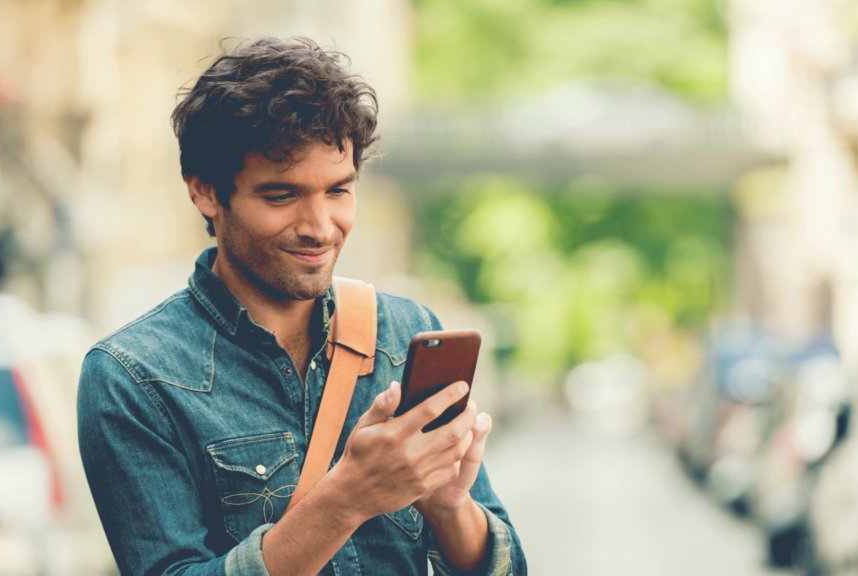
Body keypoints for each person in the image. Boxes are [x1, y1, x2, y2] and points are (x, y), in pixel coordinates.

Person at [77, 37, 527, 576]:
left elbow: (506, 567)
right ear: (205, 193)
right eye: (281, 196)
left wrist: (451, 508)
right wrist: (348, 497)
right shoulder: (133, 377)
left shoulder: (407, 332)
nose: (319, 228)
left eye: (339, 190)